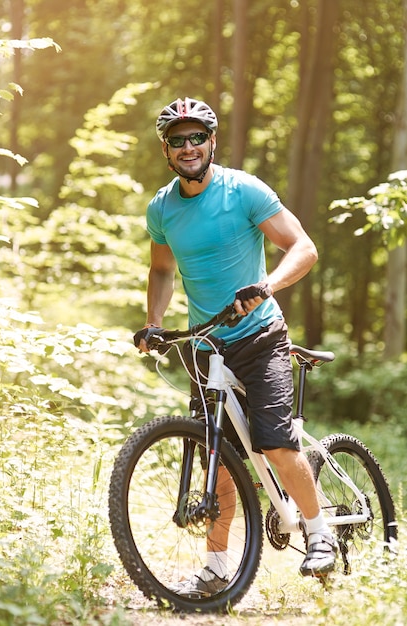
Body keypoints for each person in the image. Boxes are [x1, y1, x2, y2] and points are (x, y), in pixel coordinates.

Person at [134, 97, 337, 594]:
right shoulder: (162, 208)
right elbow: (161, 269)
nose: (188, 147)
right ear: (166, 148)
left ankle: (319, 533)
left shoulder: (243, 190)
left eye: (196, 136)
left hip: (260, 335)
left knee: (273, 439)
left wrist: (265, 288)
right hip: (206, 345)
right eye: (178, 139)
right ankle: (218, 564)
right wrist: (154, 322)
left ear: (212, 141)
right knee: (215, 454)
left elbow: (304, 247)